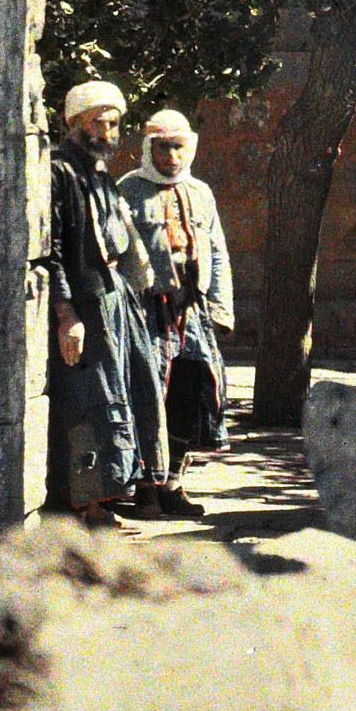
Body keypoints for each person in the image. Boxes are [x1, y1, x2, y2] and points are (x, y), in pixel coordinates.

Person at [43, 79, 169, 528]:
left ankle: (123, 494)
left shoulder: (98, 172)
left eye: (114, 123)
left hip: (116, 298)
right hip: (88, 305)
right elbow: (54, 250)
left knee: (134, 392)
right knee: (92, 399)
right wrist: (66, 315)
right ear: (74, 122)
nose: (106, 131)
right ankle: (87, 507)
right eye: (97, 121)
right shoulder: (60, 172)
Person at [118, 108, 234, 521]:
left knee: (190, 391)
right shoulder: (128, 190)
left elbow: (216, 250)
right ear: (148, 149)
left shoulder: (201, 192)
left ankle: (173, 485)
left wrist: (220, 308)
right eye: (162, 147)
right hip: (146, 310)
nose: (171, 156)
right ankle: (144, 489)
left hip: (192, 308)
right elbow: (116, 253)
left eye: (178, 147)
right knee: (148, 394)